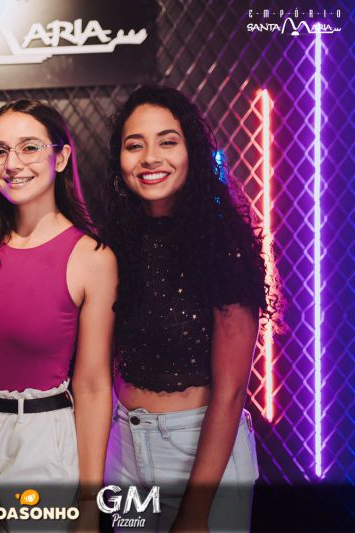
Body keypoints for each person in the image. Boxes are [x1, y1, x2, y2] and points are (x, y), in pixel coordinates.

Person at [102, 85, 273, 532]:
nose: (150, 158)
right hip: (123, 448)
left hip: (198, 452)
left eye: (167, 141)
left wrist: (195, 511)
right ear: (120, 160)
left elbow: (231, 392)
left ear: (191, 152)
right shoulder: (115, 241)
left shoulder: (222, 243)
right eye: (134, 145)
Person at [0, 99, 117, 532]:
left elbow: (93, 385)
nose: (13, 163)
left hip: (40, 440)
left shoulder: (91, 256)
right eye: (0, 151)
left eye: (29, 147)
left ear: (61, 158)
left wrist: (89, 500)